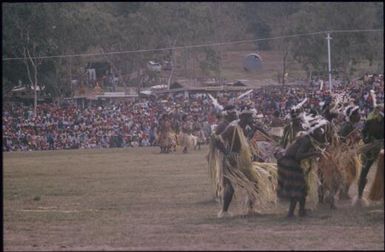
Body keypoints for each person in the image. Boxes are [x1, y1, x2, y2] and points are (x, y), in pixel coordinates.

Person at [277, 119, 328, 218]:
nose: (320, 133)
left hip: (289, 162)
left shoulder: (308, 139)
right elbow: (298, 156)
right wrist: (314, 153)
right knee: (298, 188)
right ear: (313, 131)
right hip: (289, 163)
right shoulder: (306, 140)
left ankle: (301, 211)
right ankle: (291, 213)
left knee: (302, 188)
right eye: (318, 131)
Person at [356, 103, 384, 204]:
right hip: (371, 148)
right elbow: (363, 132)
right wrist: (367, 139)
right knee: (365, 169)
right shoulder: (370, 121)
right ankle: (359, 196)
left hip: (382, 148)